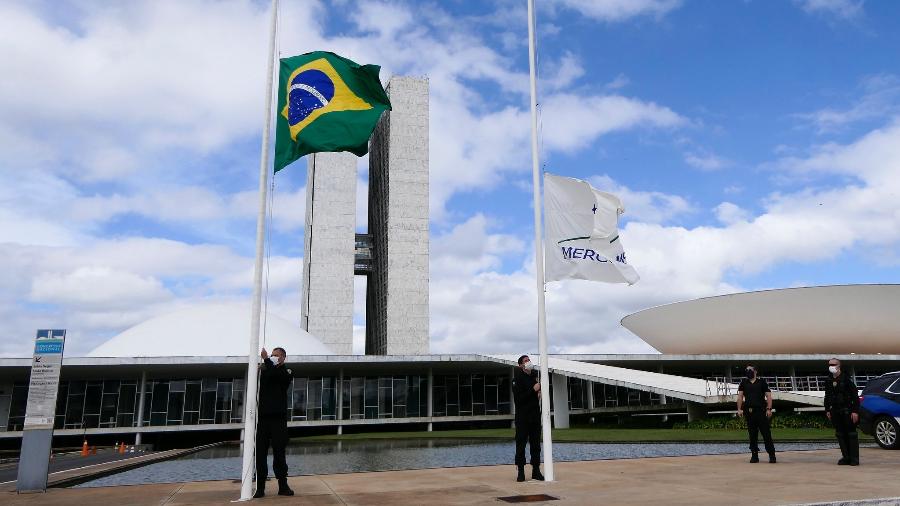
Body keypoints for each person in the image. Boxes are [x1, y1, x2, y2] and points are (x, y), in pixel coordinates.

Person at [254, 347, 294, 498]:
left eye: (276, 355)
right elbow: (265, 378)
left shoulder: (287, 372)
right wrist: (260, 369)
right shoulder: (266, 371)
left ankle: (283, 485)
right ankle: (260, 487)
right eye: (271, 355)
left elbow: (278, 377)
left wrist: (266, 360)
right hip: (263, 419)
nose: (273, 357)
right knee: (260, 453)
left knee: (279, 452)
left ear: (283, 357)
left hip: (278, 419)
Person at [512, 355, 545, 482]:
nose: (528, 362)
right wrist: (533, 390)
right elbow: (518, 399)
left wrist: (539, 392)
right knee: (521, 445)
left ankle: (536, 470)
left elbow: (537, 394)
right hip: (522, 418)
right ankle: (521, 471)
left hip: (535, 416)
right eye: (525, 361)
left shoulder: (535, 377)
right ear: (521, 365)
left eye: (529, 360)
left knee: (536, 445)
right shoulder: (517, 379)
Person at [824, 357, 860, 466]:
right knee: (840, 434)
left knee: (851, 434)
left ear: (839, 366)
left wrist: (855, 411)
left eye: (833, 364)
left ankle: (854, 458)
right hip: (835, 411)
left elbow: (855, 396)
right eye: (829, 365)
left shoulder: (846, 379)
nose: (831, 367)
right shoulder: (828, 380)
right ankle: (846, 457)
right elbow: (827, 396)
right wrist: (827, 409)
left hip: (847, 411)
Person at [736, 364, 776, 463]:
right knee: (752, 434)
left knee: (766, 434)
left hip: (761, 412)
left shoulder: (762, 382)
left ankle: (772, 455)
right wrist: (739, 409)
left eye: (750, 370)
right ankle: (754, 455)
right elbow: (740, 396)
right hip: (749, 412)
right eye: (746, 370)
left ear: (755, 371)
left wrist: (769, 409)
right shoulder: (743, 382)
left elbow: (768, 396)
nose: (748, 372)